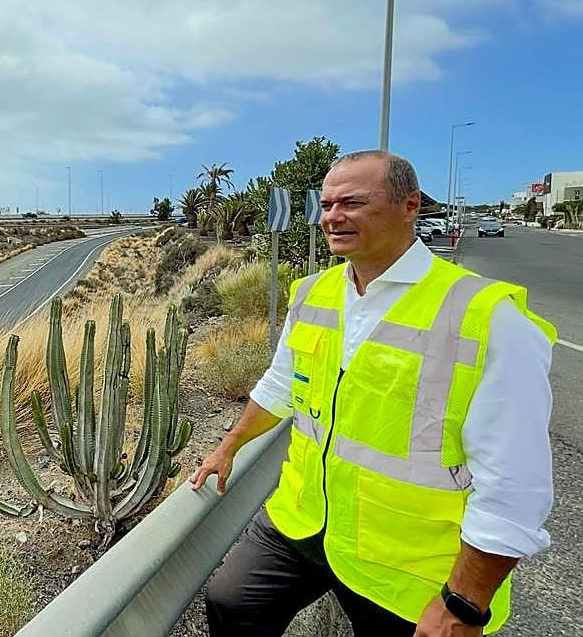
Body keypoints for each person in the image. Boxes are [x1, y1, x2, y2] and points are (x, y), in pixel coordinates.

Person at [190, 150, 555, 636]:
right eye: (326, 205)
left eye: (353, 203)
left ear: (410, 206)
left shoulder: (488, 317)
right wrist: (228, 446)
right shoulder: (311, 293)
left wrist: (465, 604)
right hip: (305, 522)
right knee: (231, 602)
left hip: (405, 563)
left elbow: (516, 483)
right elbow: (280, 385)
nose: (333, 217)